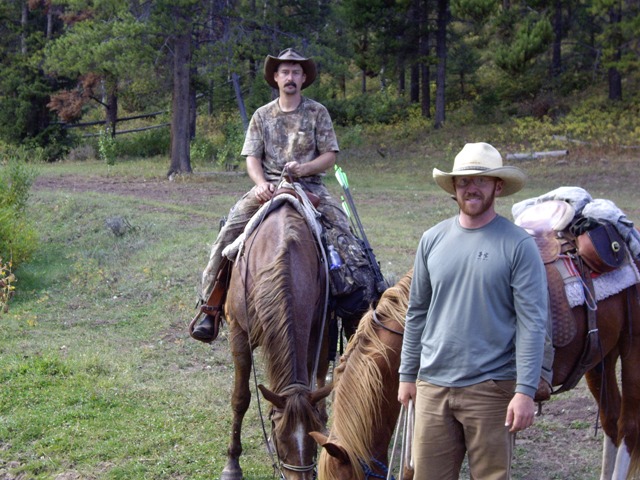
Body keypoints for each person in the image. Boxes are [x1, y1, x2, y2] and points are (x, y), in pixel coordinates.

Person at [191, 48, 373, 342]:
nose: (290, 77)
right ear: (275, 77)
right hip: (269, 189)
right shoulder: (262, 115)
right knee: (228, 234)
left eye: (296, 72)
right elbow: (252, 157)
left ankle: (358, 305)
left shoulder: (317, 112)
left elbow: (330, 156)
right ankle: (210, 307)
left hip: (310, 187)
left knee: (346, 237)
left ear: (304, 79)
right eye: (285, 72)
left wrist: (303, 169)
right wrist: (261, 183)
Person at [397, 142, 549, 479]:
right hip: (432, 385)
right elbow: (417, 311)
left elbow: (532, 322)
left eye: (481, 180)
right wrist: (408, 374)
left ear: (497, 186)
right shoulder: (432, 240)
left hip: (491, 388)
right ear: (454, 187)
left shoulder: (518, 245)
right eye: (464, 181)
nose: (472, 187)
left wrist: (524, 391)